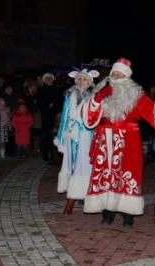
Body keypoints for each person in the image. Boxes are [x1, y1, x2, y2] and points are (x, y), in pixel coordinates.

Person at [81, 58, 155, 227]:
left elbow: (153, 112)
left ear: (127, 78)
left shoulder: (136, 95)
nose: (116, 76)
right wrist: (97, 98)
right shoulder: (102, 91)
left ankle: (128, 215)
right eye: (114, 74)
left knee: (128, 174)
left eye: (120, 74)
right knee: (106, 175)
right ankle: (107, 213)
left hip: (128, 141)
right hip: (104, 140)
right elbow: (88, 118)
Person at [54, 69, 100, 215]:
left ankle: (76, 197)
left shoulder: (93, 97)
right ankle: (76, 196)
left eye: (84, 80)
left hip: (85, 135)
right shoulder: (70, 95)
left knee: (83, 165)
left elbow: (95, 118)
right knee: (71, 164)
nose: (81, 82)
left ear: (89, 82)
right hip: (71, 133)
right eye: (79, 79)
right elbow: (66, 116)